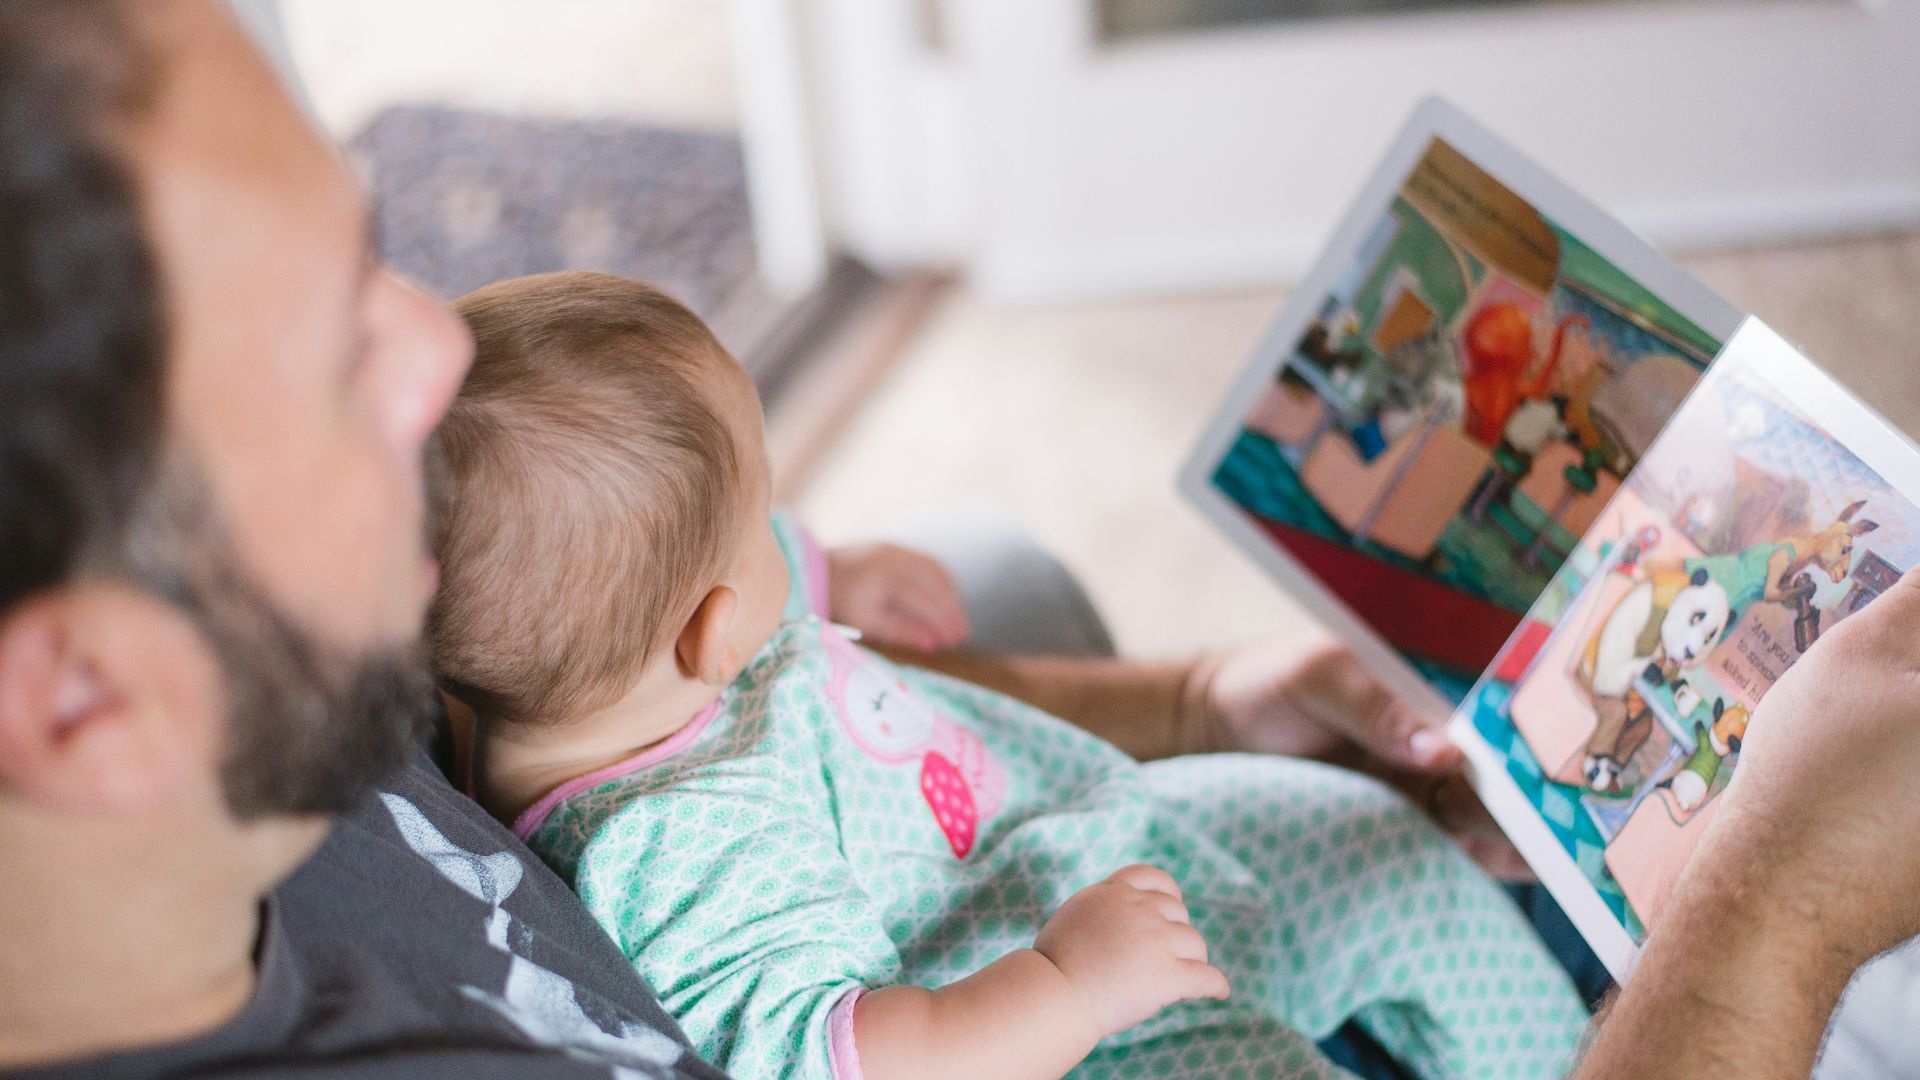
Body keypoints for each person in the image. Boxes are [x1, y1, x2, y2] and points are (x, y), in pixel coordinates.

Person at [0, 3, 1914, 1079]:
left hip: (1022, 858)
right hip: (1045, 1018)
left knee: (1013, 573)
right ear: (83, 697)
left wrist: (1176, 693)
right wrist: (1783, 903)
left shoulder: (337, 664)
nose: (435, 340)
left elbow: (726, 680)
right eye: (335, 350)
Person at [426, 270, 1593, 1080]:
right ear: (713, 636)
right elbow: (839, 1059)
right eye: (764, 509)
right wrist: (1068, 986)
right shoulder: (675, 853)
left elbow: (698, 571)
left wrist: (829, 569)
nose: (781, 526)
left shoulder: (591, 667)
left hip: (1072, 840)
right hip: (1053, 1032)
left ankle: (1576, 1055)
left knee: (1378, 847)